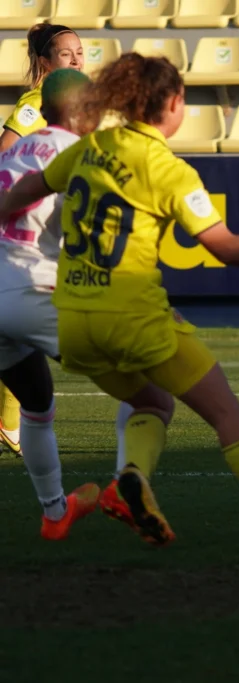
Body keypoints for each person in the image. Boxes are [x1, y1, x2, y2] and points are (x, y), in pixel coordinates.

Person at [0, 53, 239, 552]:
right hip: (126, 313)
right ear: (170, 104)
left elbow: (25, 190)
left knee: (151, 401)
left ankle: (129, 482)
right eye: (183, 97)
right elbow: (222, 246)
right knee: (227, 414)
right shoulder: (169, 169)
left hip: (76, 321)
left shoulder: (90, 149)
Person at [0, 68, 106, 539]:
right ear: (87, 111)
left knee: (37, 402)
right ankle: (130, 489)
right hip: (28, 288)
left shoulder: (16, 146)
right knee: (144, 384)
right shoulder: (78, 152)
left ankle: (55, 512)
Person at [0, 23, 85, 457]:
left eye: (80, 52)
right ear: (45, 63)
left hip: (38, 231)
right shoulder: (38, 104)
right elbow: (6, 149)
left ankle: (11, 423)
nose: (77, 59)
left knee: (17, 338)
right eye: (67, 54)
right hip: (26, 235)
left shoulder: (69, 104)